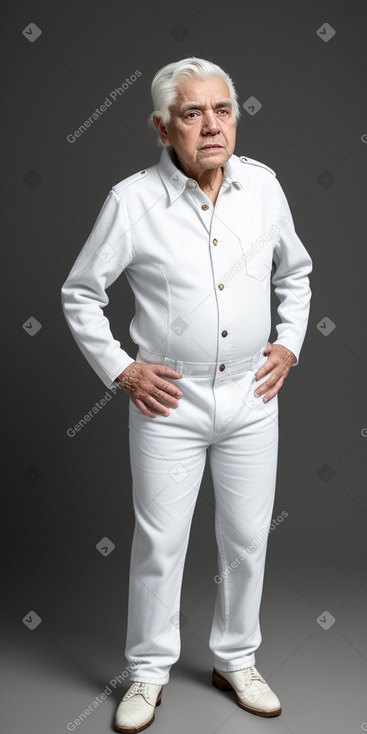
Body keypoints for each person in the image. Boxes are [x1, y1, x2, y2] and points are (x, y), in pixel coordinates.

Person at [61, 57, 312, 733]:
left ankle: (236, 659)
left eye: (222, 110)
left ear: (237, 117)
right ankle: (145, 672)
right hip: (167, 403)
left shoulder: (263, 188)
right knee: (160, 543)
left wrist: (288, 343)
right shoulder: (131, 201)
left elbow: (296, 273)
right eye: (191, 112)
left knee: (246, 539)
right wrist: (121, 370)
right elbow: (81, 293)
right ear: (161, 126)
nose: (210, 126)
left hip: (251, 395)